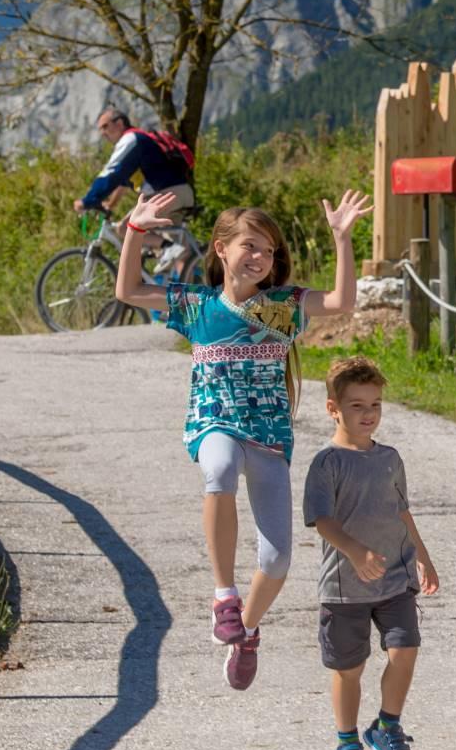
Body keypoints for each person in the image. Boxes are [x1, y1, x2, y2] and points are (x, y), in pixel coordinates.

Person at [114, 188, 371, 690]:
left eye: (268, 250)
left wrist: (342, 239)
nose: (259, 257)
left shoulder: (281, 308)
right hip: (214, 424)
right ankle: (223, 595)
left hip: (269, 437)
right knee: (218, 468)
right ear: (221, 249)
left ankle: (246, 629)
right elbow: (128, 290)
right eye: (249, 246)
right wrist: (134, 230)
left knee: (277, 559)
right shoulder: (196, 306)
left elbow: (342, 302)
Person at [304, 356, 440, 750]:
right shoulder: (327, 463)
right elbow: (321, 520)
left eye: (376, 405)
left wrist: (424, 556)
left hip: (396, 580)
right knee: (349, 669)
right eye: (357, 406)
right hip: (345, 588)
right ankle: (347, 745)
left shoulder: (390, 458)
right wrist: (356, 552)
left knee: (405, 650)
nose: (369, 414)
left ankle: (387, 726)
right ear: (333, 409)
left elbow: (402, 512)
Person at [73, 106, 197, 271]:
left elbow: (112, 173)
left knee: (125, 228)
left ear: (119, 123)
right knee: (179, 254)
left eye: (105, 126)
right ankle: (192, 286)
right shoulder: (136, 141)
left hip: (168, 194)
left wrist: (88, 200)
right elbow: (122, 184)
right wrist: (110, 205)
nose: (103, 133)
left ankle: (168, 250)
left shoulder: (131, 139)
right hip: (177, 193)